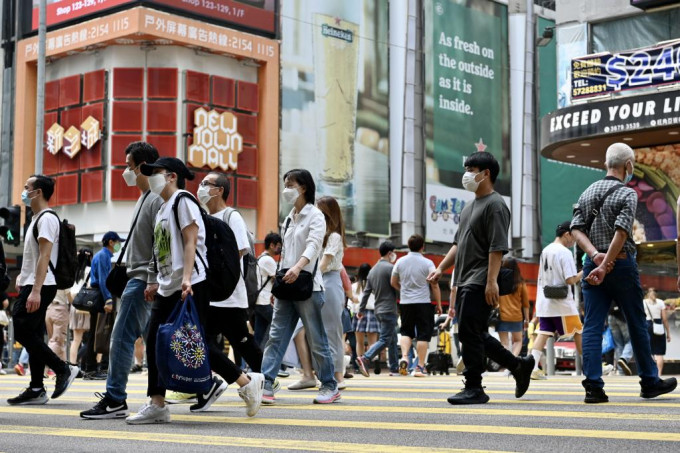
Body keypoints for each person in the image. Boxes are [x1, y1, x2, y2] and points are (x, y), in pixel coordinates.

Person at [125, 158, 262, 424]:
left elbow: (191, 241)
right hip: (168, 286)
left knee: (191, 343)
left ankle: (245, 382)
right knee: (157, 342)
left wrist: (187, 278)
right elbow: (163, 249)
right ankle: (158, 403)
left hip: (190, 285)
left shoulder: (183, 200)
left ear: (172, 176)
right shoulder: (163, 207)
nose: (152, 178)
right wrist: (156, 281)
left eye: (156, 173)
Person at [570, 142, 676, 403]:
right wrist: (607, 264)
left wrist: (595, 257)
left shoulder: (587, 192)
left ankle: (593, 387)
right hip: (621, 264)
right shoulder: (627, 194)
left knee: (593, 325)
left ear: (606, 164)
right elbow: (622, 231)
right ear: (628, 165)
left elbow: (575, 229)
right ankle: (650, 382)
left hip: (592, 266)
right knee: (637, 323)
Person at [428, 151, 534, 405]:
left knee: (468, 330)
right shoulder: (469, 206)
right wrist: (441, 268)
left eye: (471, 169)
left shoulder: (496, 205)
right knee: (472, 332)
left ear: (486, 173)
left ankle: (475, 386)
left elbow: (497, 247)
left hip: (481, 277)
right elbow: (458, 243)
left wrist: (491, 281)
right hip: (464, 277)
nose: (466, 174)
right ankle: (519, 366)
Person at [82, 141, 164, 419]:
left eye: (128, 166)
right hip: (138, 277)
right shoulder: (144, 198)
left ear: (142, 167)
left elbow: (160, 243)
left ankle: (115, 397)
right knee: (152, 338)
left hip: (142, 280)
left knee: (121, 338)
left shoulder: (155, 198)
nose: (125, 172)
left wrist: (151, 278)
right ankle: (203, 384)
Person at [260, 169, 339, 405]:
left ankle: (329, 385)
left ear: (303, 187)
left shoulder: (315, 216)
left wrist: (298, 267)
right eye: (285, 184)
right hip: (287, 285)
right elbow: (285, 254)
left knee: (317, 338)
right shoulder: (288, 217)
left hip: (308, 287)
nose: (286, 189)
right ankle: (266, 383)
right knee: (276, 336)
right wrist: (279, 284)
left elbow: (314, 246)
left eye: (290, 184)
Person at [194, 171, 264, 410]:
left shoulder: (231, 215)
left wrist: (216, 268)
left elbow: (242, 249)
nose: (201, 187)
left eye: (206, 184)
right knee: (203, 343)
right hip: (210, 295)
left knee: (243, 343)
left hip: (231, 295)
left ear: (219, 190)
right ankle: (205, 386)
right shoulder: (202, 216)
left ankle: (264, 379)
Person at [8, 174, 79, 405]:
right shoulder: (36, 217)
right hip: (34, 282)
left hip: (42, 285)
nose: (24, 191)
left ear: (38, 192)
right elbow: (36, 256)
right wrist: (23, 274)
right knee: (35, 333)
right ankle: (37, 387)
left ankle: (62, 369)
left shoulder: (47, 218)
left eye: (27, 187)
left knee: (20, 327)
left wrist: (35, 290)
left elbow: (46, 255)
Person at [530, 221, 583, 380]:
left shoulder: (546, 250)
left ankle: (532, 367)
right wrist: (584, 271)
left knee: (543, 333)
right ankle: (592, 364)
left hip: (545, 301)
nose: (574, 241)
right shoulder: (564, 252)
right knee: (578, 332)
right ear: (567, 234)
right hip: (562, 304)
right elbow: (571, 280)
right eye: (573, 237)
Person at [391, 234, 441, 378]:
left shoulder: (400, 261)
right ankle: (419, 367)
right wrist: (438, 304)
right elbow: (435, 285)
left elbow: (393, 281)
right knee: (423, 335)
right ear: (422, 247)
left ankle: (405, 357)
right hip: (423, 303)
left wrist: (403, 289)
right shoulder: (428, 263)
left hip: (406, 303)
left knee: (406, 332)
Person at [82, 230, 124, 379]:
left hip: (100, 296)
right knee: (98, 332)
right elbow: (103, 281)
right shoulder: (103, 256)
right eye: (118, 242)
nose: (119, 245)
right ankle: (90, 369)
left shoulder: (104, 256)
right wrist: (108, 300)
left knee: (96, 332)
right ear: (111, 242)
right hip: (101, 297)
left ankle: (89, 367)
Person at [355, 241, 400, 377]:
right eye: (393, 252)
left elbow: (366, 292)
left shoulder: (372, 271)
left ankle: (394, 368)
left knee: (392, 339)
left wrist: (361, 310)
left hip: (378, 310)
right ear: (389, 253)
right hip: (388, 309)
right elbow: (396, 286)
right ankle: (365, 358)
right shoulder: (390, 268)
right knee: (385, 339)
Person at [316, 196, 348, 388]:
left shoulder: (334, 237)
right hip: (321, 281)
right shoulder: (322, 234)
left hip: (329, 281)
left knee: (332, 331)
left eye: (319, 210)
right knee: (320, 331)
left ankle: (338, 375)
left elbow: (324, 264)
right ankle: (318, 373)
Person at [253, 232, 282, 349]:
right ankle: (266, 353)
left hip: (258, 301)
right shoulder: (268, 260)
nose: (280, 249)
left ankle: (254, 364)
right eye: (278, 246)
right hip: (264, 301)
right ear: (272, 245)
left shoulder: (260, 257)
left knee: (258, 335)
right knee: (278, 325)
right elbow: (278, 280)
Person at [497, 257, 529, 357]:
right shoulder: (520, 283)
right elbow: (525, 304)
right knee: (518, 341)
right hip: (516, 317)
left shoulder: (498, 282)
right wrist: (527, 319)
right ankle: (512, 362)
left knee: (504, 344)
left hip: (501, 316)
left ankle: (508, 363)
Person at [352, 264, 379, 365]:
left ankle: (360, 363)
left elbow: (353, 302)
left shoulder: (354, 286)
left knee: (360, 342)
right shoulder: (375, 285)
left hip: (359, 314)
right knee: (373, 342)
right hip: (373, 313)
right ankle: (375, 359)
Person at [68, 249, 92, 366]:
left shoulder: (74, 271)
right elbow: (91, 287)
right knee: (91, 338)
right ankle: (86, 363)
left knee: (76, 339)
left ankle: (73, 364)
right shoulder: (89, 270)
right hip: (85, 306)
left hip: (74, 305)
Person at [643, 288, 671, 376]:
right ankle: (659, 374)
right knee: (659, 352)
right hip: (658, 326)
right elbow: (665, 319)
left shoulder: (644, 302)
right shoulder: (660, 302)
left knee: (649, 351)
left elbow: (641, 316)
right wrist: (668, 333)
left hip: (647, 325)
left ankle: (651, 373)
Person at [608, 302, 633, 376]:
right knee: (630, 341)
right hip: (623, 317)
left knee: (619, 345)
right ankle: (624, 358)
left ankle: (621, 372)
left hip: (611, 316)